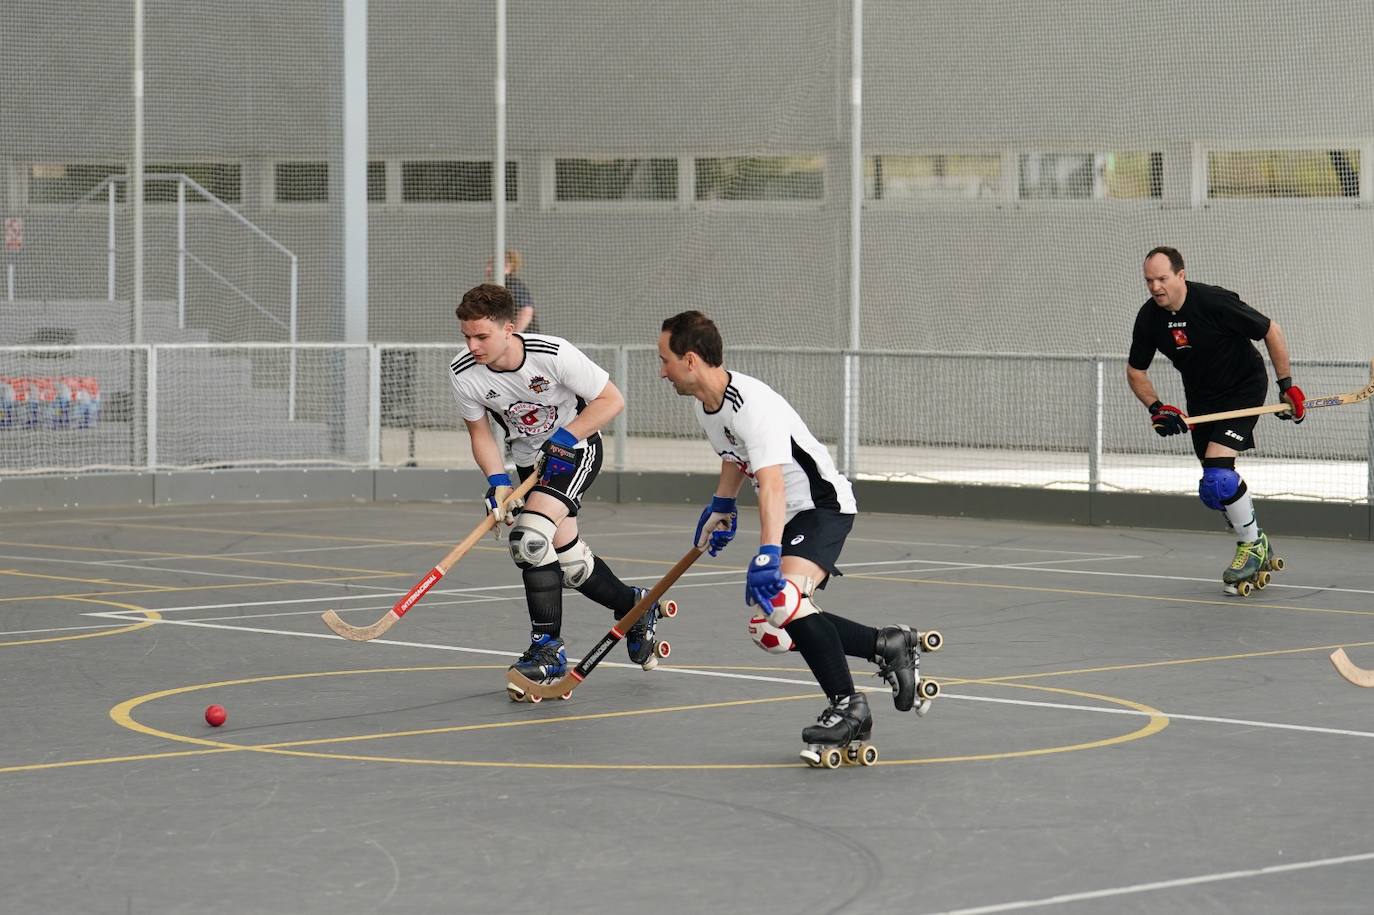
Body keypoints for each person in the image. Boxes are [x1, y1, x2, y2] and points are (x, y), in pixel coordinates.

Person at [657, 310, 939, 766]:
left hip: (821, 506)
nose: (661, 369)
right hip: (791, 514)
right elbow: (735, 455)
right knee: (769, 628)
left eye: (665, 359)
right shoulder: (706, 406)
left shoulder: (751, 403)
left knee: (783, 602)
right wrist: (722, 506)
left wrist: (768, 554)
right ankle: (884, 644)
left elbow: (769, 483)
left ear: (690, 360)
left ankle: (849, 706)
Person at [450, 283, 660, 690]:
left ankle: (548, 650)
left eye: (481, 336)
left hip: (574, 450)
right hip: (529, 461)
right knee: (573, 566)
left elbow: (611, 400)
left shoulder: (553, 354)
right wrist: (497, 483)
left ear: (509, 328)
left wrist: (565, 437)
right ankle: (636, 607)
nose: (472, 346)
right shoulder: (465, 373)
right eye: (466, 337)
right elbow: (480, 434)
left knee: (528, 540)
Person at [1127, 246, 1304, 595]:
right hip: (1202, 400)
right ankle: (1258, 542)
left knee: (1220, 477)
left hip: (1243, 387)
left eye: (1162, 278)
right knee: (1212, 492)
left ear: (1181, 274)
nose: (1155, 286)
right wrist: (1157, 408)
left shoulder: (1214, 302)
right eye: (1149, 280)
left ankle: (1250, 547)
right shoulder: (1149, 318)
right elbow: (1135, 371)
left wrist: (1287, 386)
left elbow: (1272, 330)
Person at [484, 248, 538, 333]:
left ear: (506, 266)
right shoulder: (498, 287)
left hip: (524, 340)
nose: (487, 269)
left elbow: (527, 311)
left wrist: (513, 335)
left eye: (491, 264)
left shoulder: (512, 285)